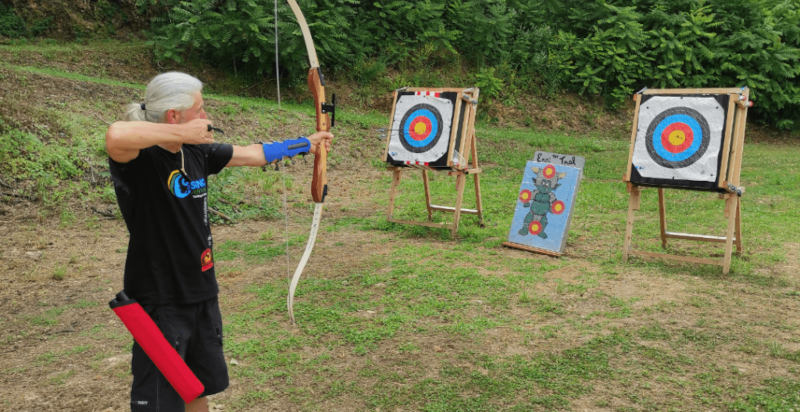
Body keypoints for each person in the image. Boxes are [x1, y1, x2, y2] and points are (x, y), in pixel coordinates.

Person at [105, 71, 333, 412]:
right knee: (159, 400)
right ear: (174, 116)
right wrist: (183, 133)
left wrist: (306, 144)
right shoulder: (141, 160)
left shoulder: (198, 153)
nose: (205, 116)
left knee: (196, 387)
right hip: (159, 298)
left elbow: (253, 154)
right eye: (199, 109)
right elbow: (116, 133)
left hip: (200, 290)